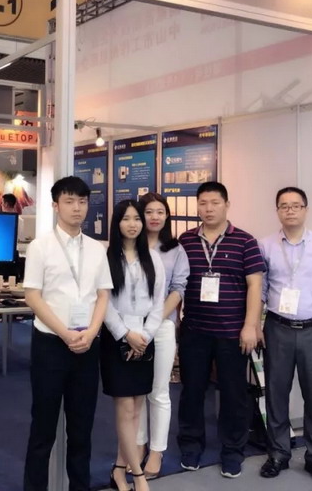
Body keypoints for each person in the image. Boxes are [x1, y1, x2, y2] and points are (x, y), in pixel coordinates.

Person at [22, 176, 113, 491]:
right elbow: (32, 296)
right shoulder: (40, 247)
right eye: (70, 201)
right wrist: (65, 333)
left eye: (82, 201)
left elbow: (103, 294)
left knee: (82, 428)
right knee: (43, 427)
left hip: (87, 346)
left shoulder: (97, 248)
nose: (77, 208)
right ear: (55, 205)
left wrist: (92, 332)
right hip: (50, 345)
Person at [176, 181, 265, 479]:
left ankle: (233, 450)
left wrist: (251, 325)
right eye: (203, 203)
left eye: (215, 203)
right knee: (192, 391)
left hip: (232, 332)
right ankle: (191, 445)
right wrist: (176, 321)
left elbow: (255, 286)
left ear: (227, 205)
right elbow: (179, 283)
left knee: (233, 393)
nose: (208, 209)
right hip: (194, 330)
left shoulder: (245, 241)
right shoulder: (185, 240)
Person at [258, 187, 312, 487]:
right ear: (277, 211)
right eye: (284, 206)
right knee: (276, 394)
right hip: (277, 328)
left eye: (296, 205)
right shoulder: (265, 245)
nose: (290, 210)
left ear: (306, 209)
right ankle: (278, 453)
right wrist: (256, 325)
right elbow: (260, 288)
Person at [102, 200, 165, 491]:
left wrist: (146, 335)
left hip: (144, 337)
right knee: (125, 409)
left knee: (137, 410)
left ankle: (118, 470)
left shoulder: (153, 258)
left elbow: (159, 302)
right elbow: (103, 303)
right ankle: (138, 475)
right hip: (117, 339)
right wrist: (124, 334)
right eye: (126, 219)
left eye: (137, 219)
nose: (132, 224)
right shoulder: (106, 258)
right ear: (117, 223)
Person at [135, 192, 189, 479]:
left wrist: (154, 322)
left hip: (162, 327)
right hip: (132, 328)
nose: (155, 217)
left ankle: (157, 451)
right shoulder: (130, 245)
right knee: (136, 391)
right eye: (149, 212)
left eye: (160, 212)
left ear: (167, 216)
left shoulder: (175, 250)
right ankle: (138, 444)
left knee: (158, 392)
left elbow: (178, 289)